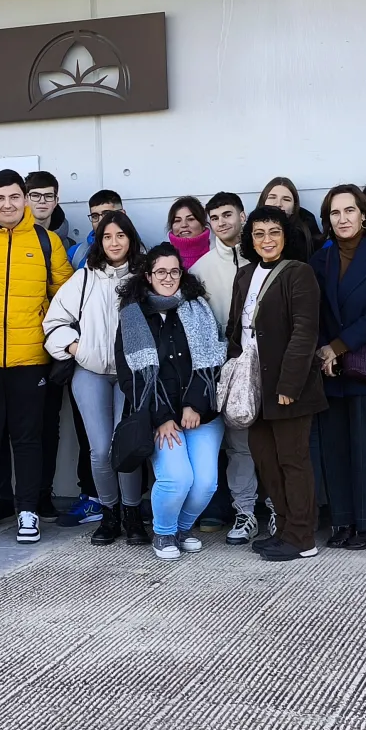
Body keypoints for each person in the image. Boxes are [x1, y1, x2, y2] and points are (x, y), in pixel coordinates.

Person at [0, 168, 73, 543]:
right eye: (0, 197)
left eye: (14, 197)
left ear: (25, 199)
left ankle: (28, 511)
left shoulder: (45, 241)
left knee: (28, 439)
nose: (7, 204)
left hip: (31, 360)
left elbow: (66, 297)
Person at [226, 205, 326, 562]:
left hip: (287, 386)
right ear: (250, 239)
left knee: (292, 461)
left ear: (285, 236)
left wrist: (289, 384)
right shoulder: (244, 275)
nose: (266, 240)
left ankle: (302, 537)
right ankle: (282, 529)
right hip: (254, 386)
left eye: (274, 232)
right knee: (266, 460)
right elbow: (235, 329)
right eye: (259, 233)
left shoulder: (299, 273)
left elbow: (304, 332)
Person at [115, 243, 226, 559]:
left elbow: (215, 361)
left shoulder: (198, 309)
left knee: (205, 483)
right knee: (177, 479)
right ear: (148, 276)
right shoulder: (134, 316)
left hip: (201, 412)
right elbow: (131, 377)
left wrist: (195, 404)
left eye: (174, 271)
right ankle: (163, 533)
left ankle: (182, 528)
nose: (168, 277)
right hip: (158, 415)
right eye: (161, 271)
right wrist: (162, 417)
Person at [44, 209, 144, 544]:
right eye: (107, 237)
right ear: (99, 242)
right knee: (100, 450)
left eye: (120, 235)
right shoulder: (85, 278)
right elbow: (54, 322)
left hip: (132, 376)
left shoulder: (144, 277)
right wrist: (76, 348)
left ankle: (132, 515)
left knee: (125, 447)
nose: (114, 242)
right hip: (91, 372)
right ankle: (109, 513)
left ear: (130, 239)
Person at [312, 184, 366, 549]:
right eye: (335, 212)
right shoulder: (320, 261)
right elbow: (313, 312)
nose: (342, 218)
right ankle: (343, 521)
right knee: (334, 448)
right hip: (329, 368)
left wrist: (337, 347)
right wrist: (324, 350)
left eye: (349, 210)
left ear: (364, 215)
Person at [25, 170, 97, 526]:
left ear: (57, 199)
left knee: (55, 425)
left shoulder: (70, 245)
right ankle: (27, 497)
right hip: (20, 348)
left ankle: (46, 496)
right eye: (35, 195)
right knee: (29, 427)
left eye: (48, 195)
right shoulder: (2, 238)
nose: (42, 201)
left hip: (61, 351)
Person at [191, 191, 261, 541]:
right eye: (215, 218)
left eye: (227, 215)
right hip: (228, 370)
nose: (222, 223)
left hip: (268, 364)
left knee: (277, 442)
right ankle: (245, 512)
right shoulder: (200, 269)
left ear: (242, 215)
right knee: (239, 445)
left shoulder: (264, 255)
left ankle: (278, 509)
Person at [261, 176, 324, 253]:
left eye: (286, 199)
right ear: (263, 201)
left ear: (294, 207)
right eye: (272, 197)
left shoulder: (308, 234)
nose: (278, 204)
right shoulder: (249, 232)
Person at [70, 189, 123, 268]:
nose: (101, 221)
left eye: (106, 214)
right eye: (95, 216)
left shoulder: (139, 251)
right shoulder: (76, 254)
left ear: (122, 214)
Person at [165, 196, 211, 271]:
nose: (184, 225)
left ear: (203, 225)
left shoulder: (219, 254)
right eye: (177, 221)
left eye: (190, 219)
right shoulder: (162, 259)